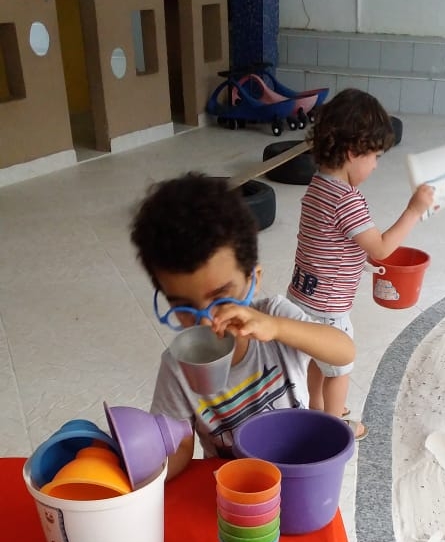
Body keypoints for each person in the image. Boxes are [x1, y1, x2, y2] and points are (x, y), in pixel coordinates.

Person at [130, 172, 355, 479]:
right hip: (237, 491)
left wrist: (277, 328)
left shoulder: (275, 317)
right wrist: (142, 474)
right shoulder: (177, 368)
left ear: (253, 279)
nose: (206, 321)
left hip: (297, 475)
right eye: (183, 307)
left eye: (221, 298)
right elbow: (178, 447)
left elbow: (343, 351)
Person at [287, 88, 434, 439]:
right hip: (329, 310)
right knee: (339, 367)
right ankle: (331, 430)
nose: (376, 165)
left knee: (317, 357)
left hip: (301, 298)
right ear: (353, 152)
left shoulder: (317, 185)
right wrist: (414, 210)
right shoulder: (348, 200)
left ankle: (316, 408)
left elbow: (337, 242)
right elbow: (381, 248)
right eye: (375, 157)